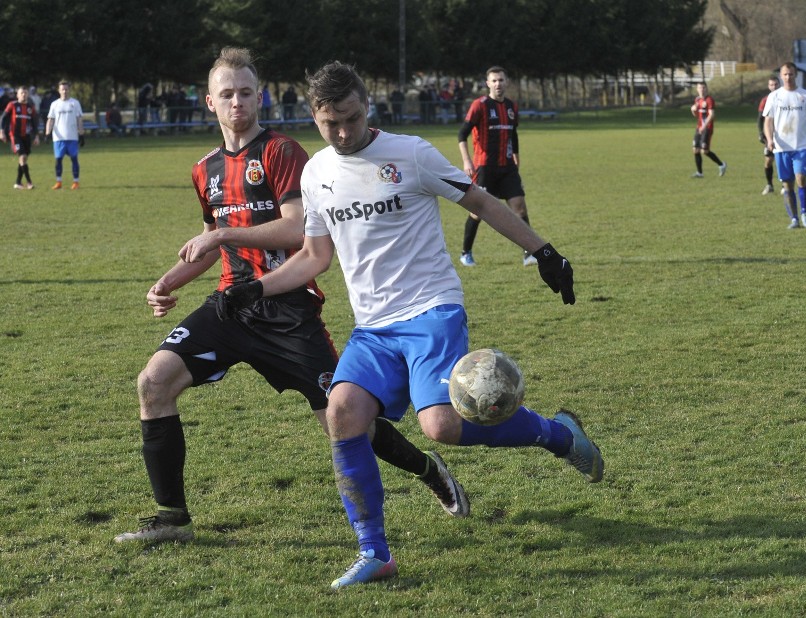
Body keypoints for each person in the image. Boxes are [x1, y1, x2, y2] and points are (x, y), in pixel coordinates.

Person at [217, 61, 603, 589]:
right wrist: (256, 288)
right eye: (332, 124)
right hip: (373, 328)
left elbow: (481, 202)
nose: (344, 132)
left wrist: (545, 253)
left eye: (352, 118)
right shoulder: (316, 174)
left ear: (366, 107)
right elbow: (313, 256)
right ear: (315, 118)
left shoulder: (411, 153)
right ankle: (375, 553)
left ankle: (558, 435)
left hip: (431, 310)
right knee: (342, 415)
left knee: (440, 427)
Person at [114, 48, 468, 545]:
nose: (237, 102)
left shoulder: (282, 153)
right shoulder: (206, 169)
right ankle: (172, 518)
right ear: (209, 102)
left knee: (345, 422)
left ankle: (427, 470)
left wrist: (222, 238)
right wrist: (170, 281)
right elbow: (211, 241)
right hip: (230, 305)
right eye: (226, 94)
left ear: (259, 97)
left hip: (288, 309)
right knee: (153, 383)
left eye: (245, 92)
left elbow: (295, 230)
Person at [458, 66, 539, 267]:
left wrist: (517, 157)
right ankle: (465, 252)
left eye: (501, 80)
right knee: (477, 212)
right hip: (485, 168)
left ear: (507, 82)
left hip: (507, 167)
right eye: (494, 81)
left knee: (519, 208)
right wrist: (467, 161)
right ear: (488, 84)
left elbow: (513, 134)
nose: (498, 84)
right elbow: (462, 135)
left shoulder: (512, 106)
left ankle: (529, 253)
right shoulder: (480, 105)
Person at [763, 62, 806, 229]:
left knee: (801, 177)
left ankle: (805, 212)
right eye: (785, 74)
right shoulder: (774, 96)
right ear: (781, 76)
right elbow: (768, 121)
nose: (788, 77)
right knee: (787, 184)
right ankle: (794, 219)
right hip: (781, 147)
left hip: (802, 146)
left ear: (796, 75)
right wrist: (769, 139)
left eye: (791, 74)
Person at [45, 80, 84, 190]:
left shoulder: (75, 103)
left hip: (72, 137)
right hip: (58, 138)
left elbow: (79, 119)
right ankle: (58, 182)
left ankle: (76, 182)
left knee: (74, 159)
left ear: (69, 90)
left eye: (66, 89)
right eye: (62, 89)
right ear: (59, 90)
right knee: (58, 160)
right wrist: (47, 134)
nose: (65, 91)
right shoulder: (55, 104)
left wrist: (81, 134)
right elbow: (50, 120)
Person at [0, 86, 40, 189]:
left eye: (25, 93)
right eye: (21, 93)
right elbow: (3, 118)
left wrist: (36, 136)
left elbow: (35, 122)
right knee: (22, 157)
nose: (23, 94)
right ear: (17, 95)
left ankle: (18, 182)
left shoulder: (30, 107)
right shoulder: (12, 105)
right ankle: (29, 183)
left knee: (23, 159)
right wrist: (2, 132)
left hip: (26, 136)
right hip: (15, 135)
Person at [690, 81, 727, 179]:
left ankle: (721, 164)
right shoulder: (697, 100)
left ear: (706, 89)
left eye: (703, 88)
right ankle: (699, 173)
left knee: (704, 151)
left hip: (707, 128)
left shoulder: (709, 100)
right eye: (699, 88)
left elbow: (711, 115)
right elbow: (697, 115)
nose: (701, 90)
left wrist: (704, 126)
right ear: (697, 89)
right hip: (699, 127)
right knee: (695, 149)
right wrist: (693, 111)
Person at [757, 76, 779, 195]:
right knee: (768, 160)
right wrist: (761, 133)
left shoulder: (785, 98)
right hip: (770, 135)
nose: (774, 87)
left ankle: (785, 185)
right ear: (768, 86)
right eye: (771, 85)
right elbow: (760, 119)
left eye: (775, 84)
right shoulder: (765, 100)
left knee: (783, 160)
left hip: (783, 135)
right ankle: (769, 185)